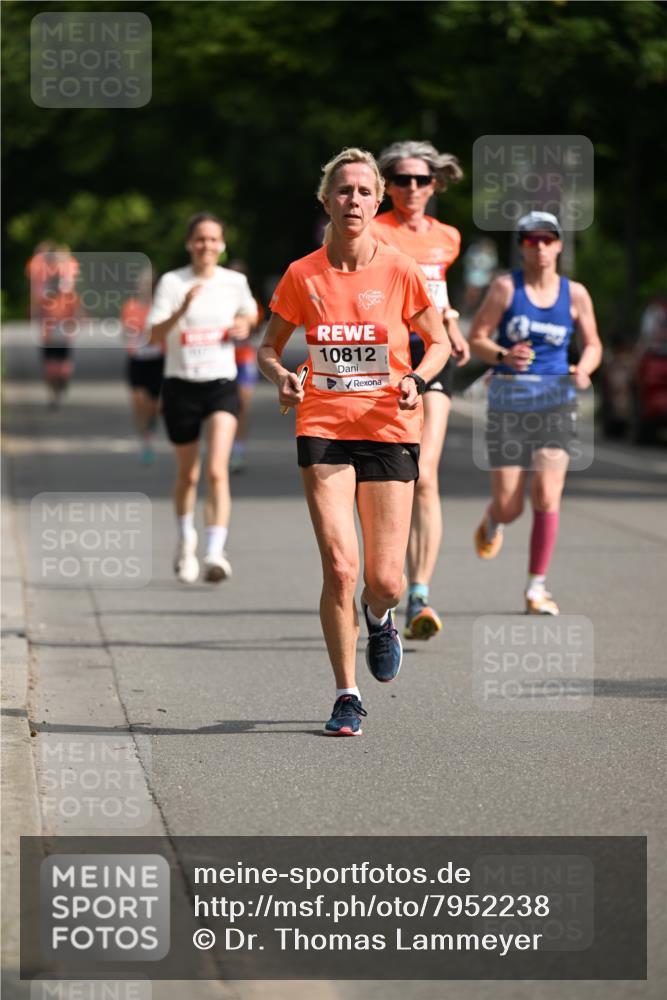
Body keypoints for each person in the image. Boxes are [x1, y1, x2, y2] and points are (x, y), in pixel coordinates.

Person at [258, 148, 451, 736]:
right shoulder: (302, 274)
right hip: (323, 426)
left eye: (365, 191)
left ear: (377, 201)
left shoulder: (399, 270)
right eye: (344, 191)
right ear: (326, 201)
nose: (354, 200)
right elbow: (267, 348)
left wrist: (419, 380)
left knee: (386, 579)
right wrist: (282, 376)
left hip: (390, 427)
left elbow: (438, 342)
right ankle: (347, 694)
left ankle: (380, 614)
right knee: (341, 568)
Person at [468, 211, 602, 614]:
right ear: (522, 247)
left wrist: (584, 369)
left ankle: (536, 588)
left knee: (546, 492)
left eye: (547, 239)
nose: (540, 247)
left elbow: (593, 344)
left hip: (556, 402)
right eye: (531, 240)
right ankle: (494, 519)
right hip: (509, 403)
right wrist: (503, 355)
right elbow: (477, 339)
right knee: (511, 507)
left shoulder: (575, 294)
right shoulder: (506, 288)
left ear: (558, 245)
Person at [373, 140, 471, 641]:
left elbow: (436, 292)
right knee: (394, 472)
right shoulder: (374, 230)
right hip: (387, 357)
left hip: (433, 353)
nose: (412, 188)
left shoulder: (447, 237)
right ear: (387, 186)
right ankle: (383, 577)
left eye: (421, 180)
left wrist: (451, 325)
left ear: (435, 185)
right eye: (402, 179)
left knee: (426, 474)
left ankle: (419, 594)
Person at [147, 213, 257, 583]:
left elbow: (250, 313)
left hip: (221, 383)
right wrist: (182, 309)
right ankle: (186, 540)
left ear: (222, 245)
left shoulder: (234, 282)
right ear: (189, 244)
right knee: (189, 474)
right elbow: (153, 334)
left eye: (213, 239)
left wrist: (244, 324)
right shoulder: (172, 282)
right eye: (200, 239)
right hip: (181, 385)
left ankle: (214, 552)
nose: (206, 245)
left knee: (216, 470)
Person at [26, 243, 80, 408]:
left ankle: (61, 384)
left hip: (62, 335)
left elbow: (76, 312)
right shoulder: (44, 297)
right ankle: (53, 394)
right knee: (49, 366)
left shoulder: (68, 296)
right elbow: (36, 311)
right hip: (48, 335)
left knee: (62, 366)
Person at [121, 265, 163, 464]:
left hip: (157, 359)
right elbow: (124, 332)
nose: (145, 285)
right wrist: (132, 334)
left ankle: (151, 428)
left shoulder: (161, 306)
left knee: (154, 405)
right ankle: (145, 439)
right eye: (142, 281)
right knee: (138, 400)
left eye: (149, 282)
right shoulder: (129, 306)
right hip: (137, 358)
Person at [227, 260, 264, 473]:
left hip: (243, 359)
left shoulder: (251, 304)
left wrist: (245, 324)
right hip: (221, 362)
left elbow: (257, 329)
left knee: (242, 406)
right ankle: (224, 447)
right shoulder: (217, 301)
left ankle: (238, 449)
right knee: (223, 407)